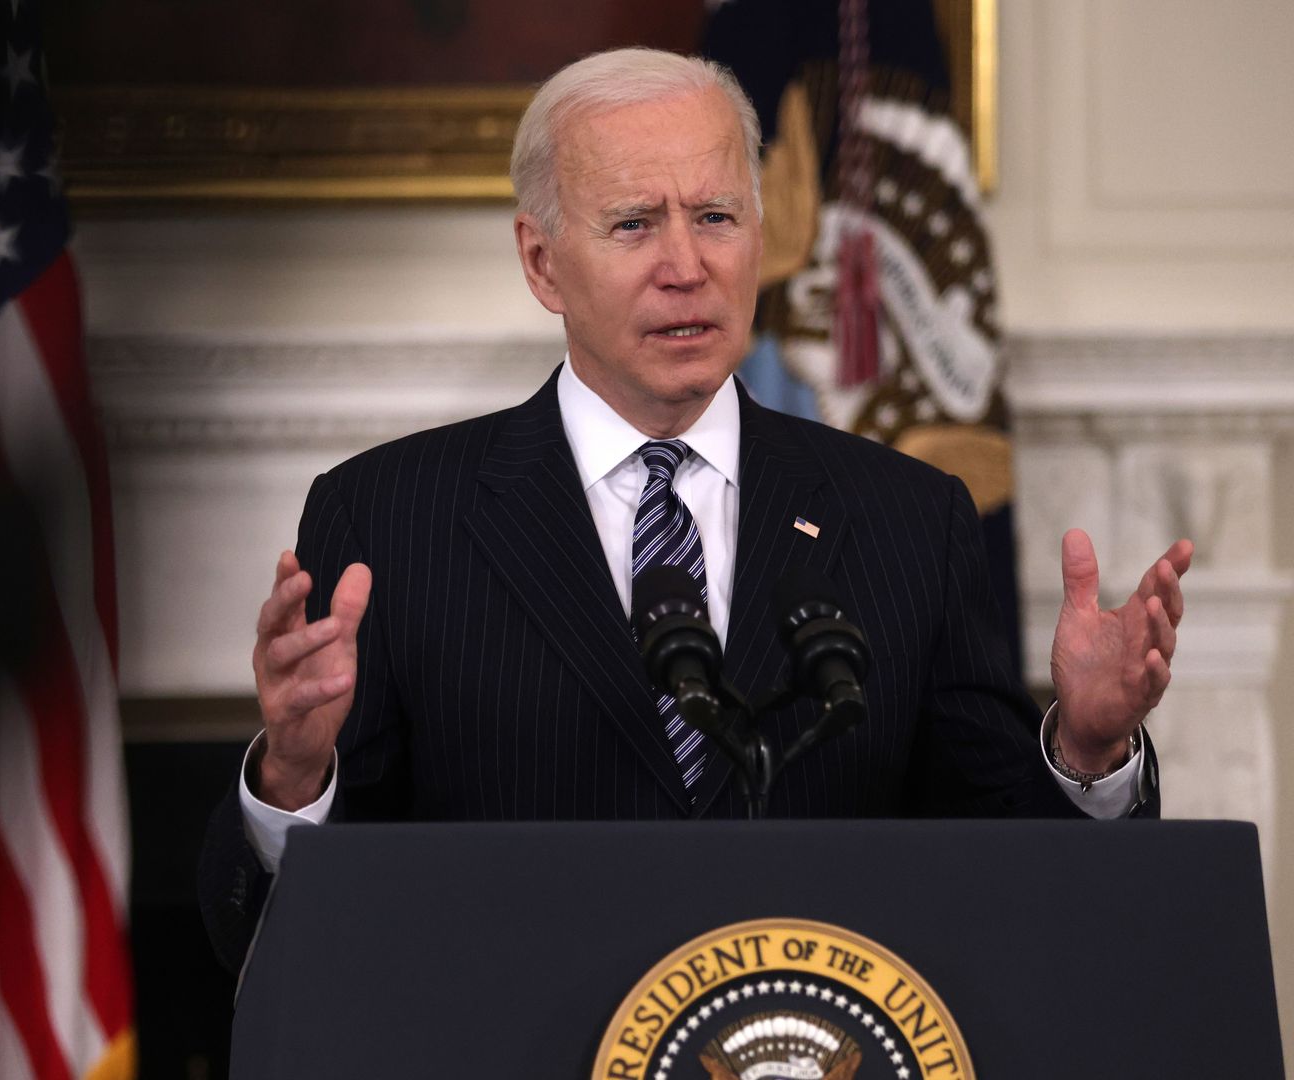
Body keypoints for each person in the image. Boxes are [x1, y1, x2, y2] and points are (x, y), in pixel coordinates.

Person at [197, 48, 1191, 972]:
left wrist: (1086, 752)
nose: (687, 264)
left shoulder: (909, 518)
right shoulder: (387, 519)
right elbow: (278, 937)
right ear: (542, 262)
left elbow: (1005, 879)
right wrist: (291, 774)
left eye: (716, 217)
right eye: (635, 223)